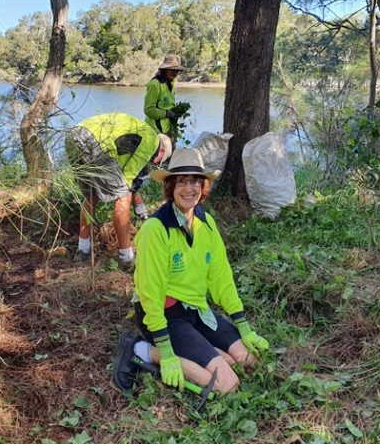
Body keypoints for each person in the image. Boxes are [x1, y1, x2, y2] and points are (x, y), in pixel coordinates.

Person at [113, 148, 269, 394]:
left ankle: (206, 350)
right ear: (171, 186)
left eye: (195, 181)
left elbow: (221, 277)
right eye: (182, 182)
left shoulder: (205, 222)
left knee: (249, 362)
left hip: (196, 310)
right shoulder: (156, 229)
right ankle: (139, 349)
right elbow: (149, 291)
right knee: (227, 385)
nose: (190, 189)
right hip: (164, 314)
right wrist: (165, 350)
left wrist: (243, 325)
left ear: (203, 186)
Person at [65, 113, 173, 266]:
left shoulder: (138, 135)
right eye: (159, 162)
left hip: (74, 135)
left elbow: (123, 175)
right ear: (161, 151)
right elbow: (127, 180)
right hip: (96, 141)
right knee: (122, 197)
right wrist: (133, 199)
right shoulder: (152, 141)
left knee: (92, 196)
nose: (154, 164)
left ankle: (83, 249)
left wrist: (137, 199)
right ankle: (126, 257)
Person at [133, 54, 186, 220]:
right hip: (155, 134)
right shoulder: (155, 84)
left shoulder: (170, 84)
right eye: (172, 70)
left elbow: (168, 105)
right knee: (146, 168)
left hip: (168, 132)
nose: (175, 73)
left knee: (172, 169)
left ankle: (172, 202)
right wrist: (166, 113)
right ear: (164, 69)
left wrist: (175, 114)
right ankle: (136, 200)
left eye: (177, 70)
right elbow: (148, 110)